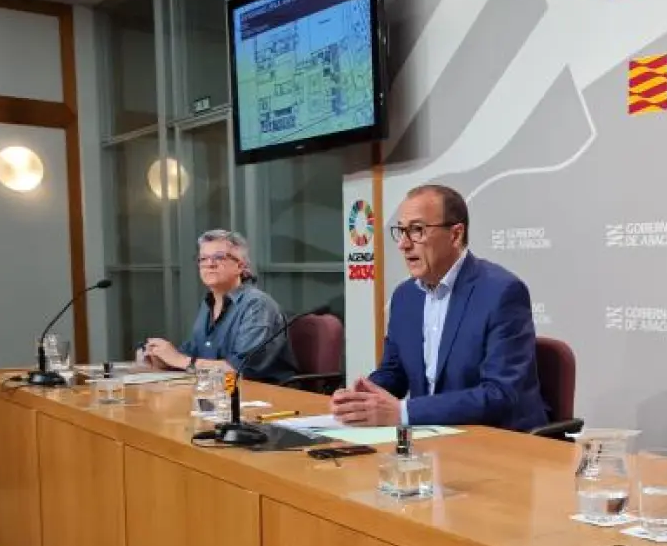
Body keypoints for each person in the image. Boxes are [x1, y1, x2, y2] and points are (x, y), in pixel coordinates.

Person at [330, 184, 548, 431]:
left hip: (498, 440)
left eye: (417, 230)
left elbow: (500, 394)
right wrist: (362, 398)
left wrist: (404, 412)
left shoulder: (502, 292)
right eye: (401, 231)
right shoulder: (405, 296)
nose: (403, 244)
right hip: (433, 437)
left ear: (455, 235)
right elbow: (394, 372)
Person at [140, 230, 297, 384]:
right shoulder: (208, 303)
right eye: (203, 258)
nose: (209, 264)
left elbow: (240, 370)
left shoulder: (258, 305)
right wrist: (160, 356)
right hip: (218, 391)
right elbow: (191, 354)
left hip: (263, 394)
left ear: (240, 266)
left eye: (219, 257)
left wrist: (179, 360)